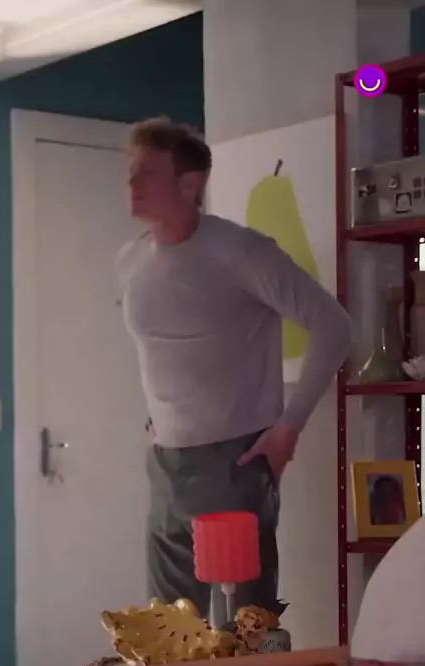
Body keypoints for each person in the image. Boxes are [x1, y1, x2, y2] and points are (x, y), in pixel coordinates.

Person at [117, 117, 354, 620]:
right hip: (165, 464)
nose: (132, 183)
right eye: (130, 172)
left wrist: (288, 429)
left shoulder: (242, 251)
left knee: (250, 627)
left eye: (146, 172)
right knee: (167, 629)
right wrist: (159, 422)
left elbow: (335, 327)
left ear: (189, 183)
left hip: (234, 460)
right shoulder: (131, 260)